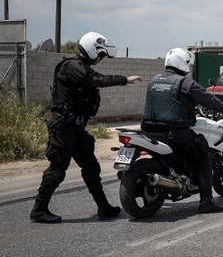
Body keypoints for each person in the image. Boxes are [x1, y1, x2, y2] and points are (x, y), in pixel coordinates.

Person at [31, 32, 142, 223]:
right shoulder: (72, 66)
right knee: (57, 168)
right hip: (64, 126)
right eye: (101, 55)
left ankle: (103, 207)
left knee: (91, 166)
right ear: (92, 50)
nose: (101, 59)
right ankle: (39, 210)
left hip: (76, 127)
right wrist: (124, 79)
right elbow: (96, 79)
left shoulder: (81, 67)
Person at [140, 47, 223, 214]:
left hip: (149, 130)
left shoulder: (154, 80)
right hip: (174, 132)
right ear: (182, 64)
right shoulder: (186, 83)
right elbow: (207, 99)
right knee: (203, 156)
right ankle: (206, 202)